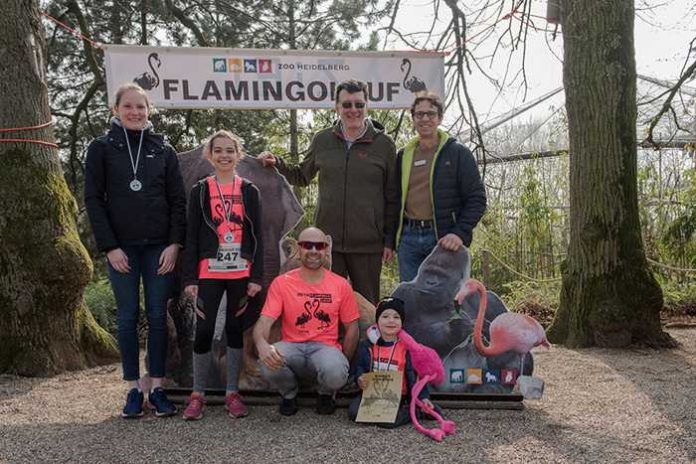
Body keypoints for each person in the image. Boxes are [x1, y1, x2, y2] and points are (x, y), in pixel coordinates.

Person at [84, 82, 186, 418]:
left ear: (149, 111)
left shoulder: (164, 149)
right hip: (122, 250)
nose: (135, 112)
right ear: (116, 110)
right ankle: (132, 388)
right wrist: (110, 247)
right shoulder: (101, 148)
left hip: (159, 248)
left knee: (158, 317)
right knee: (127, 318)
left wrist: (174, 244)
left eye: (141, 107)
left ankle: (156, 387)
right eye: (128, 106)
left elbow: (177, 202)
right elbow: (93, 201)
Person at [259, 79, 399, 304]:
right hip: (327, 244)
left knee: (368, 307)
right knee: (327, 305)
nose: (353, 110)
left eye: (359, 104)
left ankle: (367, 342)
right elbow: (301, 176)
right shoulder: (322, 140)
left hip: (368, 244)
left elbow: (393, 195)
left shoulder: (384, 145)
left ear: (367, 106)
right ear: (337, 107)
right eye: (347, 105)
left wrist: (390, 240)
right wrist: (277, 163)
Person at [181, 130, 264, 421]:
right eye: (219, 151)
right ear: (210, 155)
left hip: (240, 272)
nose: (224, 155)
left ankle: (231, 392)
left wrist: (257, 277)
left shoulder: (249, 190)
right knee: (203, 331)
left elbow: (258, 237)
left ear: (238, 154)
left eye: (230, 150)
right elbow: (191, 236)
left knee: (233, 329)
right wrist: (189, 278)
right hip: (209, 272)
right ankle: (197, 394)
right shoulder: (201, 190)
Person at [253, 227, 360, 416]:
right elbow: (264, 322)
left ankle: (326, 393)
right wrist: (262, 344)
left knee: (336, 370)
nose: (313, 250)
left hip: (325, 347)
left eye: (319, 246)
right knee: (266, 361)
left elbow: (352, 328)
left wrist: (343, 358)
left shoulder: (341, 285)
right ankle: (289, 394)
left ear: (326, 250)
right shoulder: (282, 283)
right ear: (299, 249)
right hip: (292, 346)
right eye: (307, 245)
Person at [395, 92, 487, 282]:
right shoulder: (403, 156)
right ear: (413, 119)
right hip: (409, 239)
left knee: (446, 302)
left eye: (431, 114)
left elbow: (477, 199)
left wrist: (459, 233)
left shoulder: (458, 153)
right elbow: (393, 200)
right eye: (419, 114)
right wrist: (391, 240)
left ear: (440, 118)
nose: (425, 119)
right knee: (411, 302)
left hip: (443, 239)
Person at [348, 297, 435, 428]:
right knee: (354, 412)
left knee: (389, 422)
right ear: (377, 321)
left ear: (402, 322)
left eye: (396, 317)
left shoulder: (407, 348)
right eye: (385, 316)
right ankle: (379, 414)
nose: (390, 321)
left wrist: (423, 398)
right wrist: (359, 378)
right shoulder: (367, 346)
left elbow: (417, 377)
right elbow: (359, 368)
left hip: (398, 397)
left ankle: (413, 411)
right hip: (373, 394)